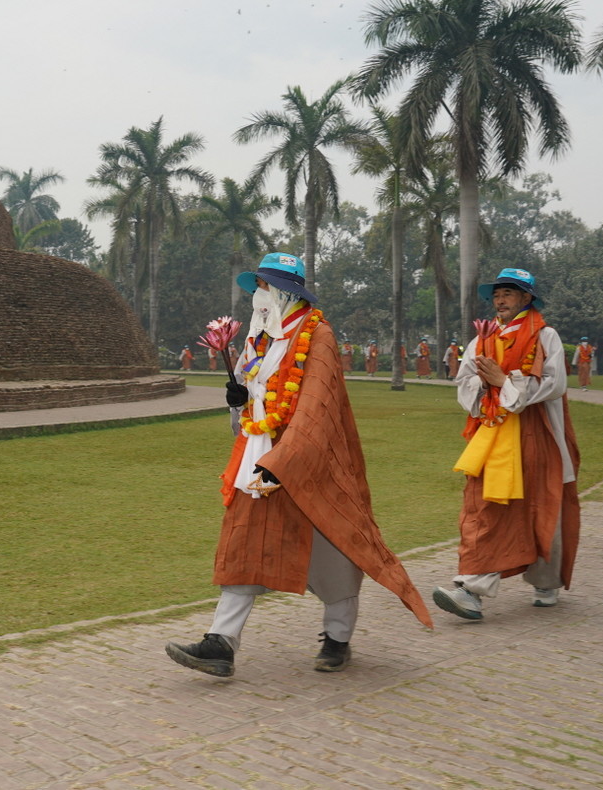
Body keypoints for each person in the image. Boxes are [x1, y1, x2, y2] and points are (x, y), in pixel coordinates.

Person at [165, 253, 432, 677]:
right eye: (256, 287)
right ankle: (221, 643)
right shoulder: (261, 338)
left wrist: (284, 461)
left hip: (311, 466)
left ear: (286, 292)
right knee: (243, 542)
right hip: (261, 459)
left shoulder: (317, 335)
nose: (257, 296)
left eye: (264, 287)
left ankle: (338, 638)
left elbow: (316, 409)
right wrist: (238, 403)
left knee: (336, 551)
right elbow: (255, 402)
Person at [432, 268, 581, 620]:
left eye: (509, 293)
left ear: (527, 299)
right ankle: (471, 590)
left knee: (545, 506)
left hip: (538, 434)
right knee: (486, 506)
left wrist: (504, 382)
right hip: (495, 434)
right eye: (497, 294)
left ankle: (546, 579)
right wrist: (486, 391)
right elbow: (465, 379)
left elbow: (554, 383)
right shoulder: (482, 338)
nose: (500, 300)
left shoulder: (546, 337)